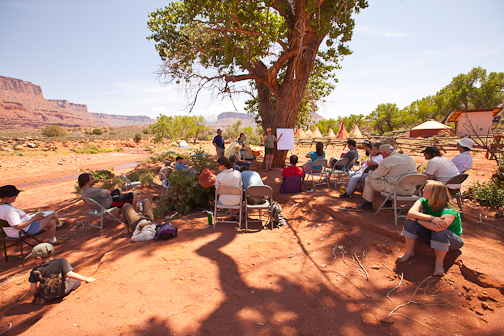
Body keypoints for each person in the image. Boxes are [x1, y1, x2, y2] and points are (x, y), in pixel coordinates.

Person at [398, 181, 463, 276]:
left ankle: (439, 263)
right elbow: (411, 213)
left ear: (434, 193)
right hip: (431, 232)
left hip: (452, 240)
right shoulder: (423, 201)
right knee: (410, 222)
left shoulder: (449, 209)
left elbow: (438, 228)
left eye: (425, 189)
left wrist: (417, 219)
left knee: (440, 232)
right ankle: (409, 252)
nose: (423, 190)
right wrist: (431, 218)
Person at [28, 243, 96, 305]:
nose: (34, 261)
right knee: (76, 280)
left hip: (47, 296)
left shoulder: (35, 271)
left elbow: (32, 289)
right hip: (62, 292)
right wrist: (86, 279)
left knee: (40, 288)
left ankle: (41, 298)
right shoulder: (61, 261)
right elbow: (69, 274)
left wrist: (39, 292)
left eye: (34, 259)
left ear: (39, 258)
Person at [0, 185, 65, 245]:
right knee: (52, 213)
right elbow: (18, 226)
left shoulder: (3, 206)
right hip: (22, 231)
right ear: (7, 196)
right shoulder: (9, 210)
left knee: (52, 222)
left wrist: (27, 215)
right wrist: (35, 218)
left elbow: (11, 219)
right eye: (15, 194)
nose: (16, 196)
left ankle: (53, 241)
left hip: (11, 232)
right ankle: (60, 225)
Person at [360, 144, 417, 211]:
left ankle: (368, 205)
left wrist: (370, 172)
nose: (382, 156)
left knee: (369, 179)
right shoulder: (408, 157)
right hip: (411, 190)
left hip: (397, 190)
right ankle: (388, 203)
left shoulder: (388, 160)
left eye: (381, 154)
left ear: (385, 153)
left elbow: (375, 175)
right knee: (390, 181)